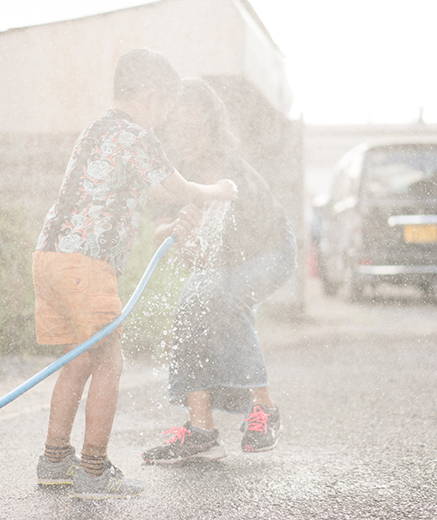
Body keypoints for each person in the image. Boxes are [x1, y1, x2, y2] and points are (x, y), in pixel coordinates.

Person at [32, 51, 237, 498]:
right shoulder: (137, 135)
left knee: (78, 356)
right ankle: (92, 469)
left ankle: (54, 460)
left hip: (50, 259)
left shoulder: (98, 128)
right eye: (165, 108)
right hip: (87, 264)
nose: (164, 120)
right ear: (150, 97)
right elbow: (174, 188)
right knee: (108, 359)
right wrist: (218, 191)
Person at [142, 79, 296, 464]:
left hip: (270, 250)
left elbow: (228, 260)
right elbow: (161, 230)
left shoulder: (232, 173)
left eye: (193, 129)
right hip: (224, 259)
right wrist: (178, 226)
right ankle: (201, 431)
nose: (184, 138)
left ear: (212, 127)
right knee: (190, 305)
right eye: (176, 129)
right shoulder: (174, 169)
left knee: (224, 298)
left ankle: (264, 410)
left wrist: (197, 237)